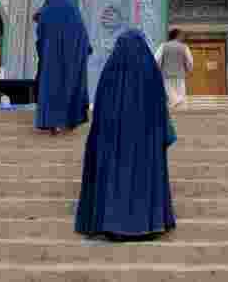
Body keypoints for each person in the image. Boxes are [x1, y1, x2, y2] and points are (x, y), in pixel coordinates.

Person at [75, 29, 177, 240]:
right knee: (143, 175)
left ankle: (114, 223)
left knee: (115, 176)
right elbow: (161, 112)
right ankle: (148, 223)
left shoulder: (109, 73)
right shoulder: (151, 74)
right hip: (146, 144)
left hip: (114, 144)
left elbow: (99, 115)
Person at [35, 0, 92, 136]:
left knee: (52, 82)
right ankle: (61, 121)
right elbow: (75, 19)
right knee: (67, 79)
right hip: (66, 47)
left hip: (51, 47)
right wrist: (85, 42)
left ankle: (51, 121)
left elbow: (41, 16)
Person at [153, 29, 194, 109]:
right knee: (180, 95)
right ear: (177, 35)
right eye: (181, 35)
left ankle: (175, 105)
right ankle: (181, 110)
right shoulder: (184, 47)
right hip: (180, 75)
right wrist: (189, 70)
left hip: (166, 75)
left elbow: (156, 59)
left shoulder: (163, 46)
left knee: (170, 95)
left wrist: (158, 69)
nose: (183, 37)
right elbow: (190, 61)